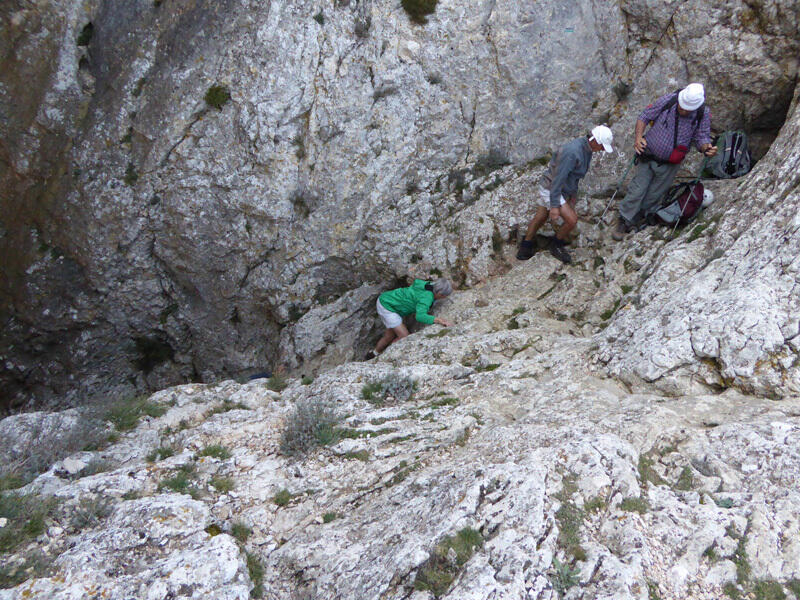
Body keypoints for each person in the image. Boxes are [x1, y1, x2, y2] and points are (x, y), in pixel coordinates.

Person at [612, 83, 718, 240]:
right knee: (637, 189)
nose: (682, 110)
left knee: (655, 194)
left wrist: (706, 148)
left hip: (671, 163)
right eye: (682, 106)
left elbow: (701, 137)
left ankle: (641, 218)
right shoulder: (669, 100)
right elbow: (644, 116)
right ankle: (624, 219)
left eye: (687, 109)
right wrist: (638, 138)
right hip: (648, 154)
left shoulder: (702, 114)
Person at [517, 125, 614, 263]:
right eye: (602, 146)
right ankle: (555, 245)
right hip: (552, 188)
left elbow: (574, 176)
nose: (602, 149)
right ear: (595, 141)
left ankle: (526, 246)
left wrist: (572, 196)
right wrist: (555, 205)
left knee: (541, 217)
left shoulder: (586, 150)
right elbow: (558, 179)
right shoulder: (573, 152)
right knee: (571, 220)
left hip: (555, 188)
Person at [365, 278, 452, 359]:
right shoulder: (427, 298)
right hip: (387, 307)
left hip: (387, 299)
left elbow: (416, 282)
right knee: (404, 337)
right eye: (444, 296)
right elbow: (420, 316)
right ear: (439, 294)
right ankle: (385, 356)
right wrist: (439, 320)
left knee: (390, 335)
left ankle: (374, 353)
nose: (444, 298)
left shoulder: (428, 284)